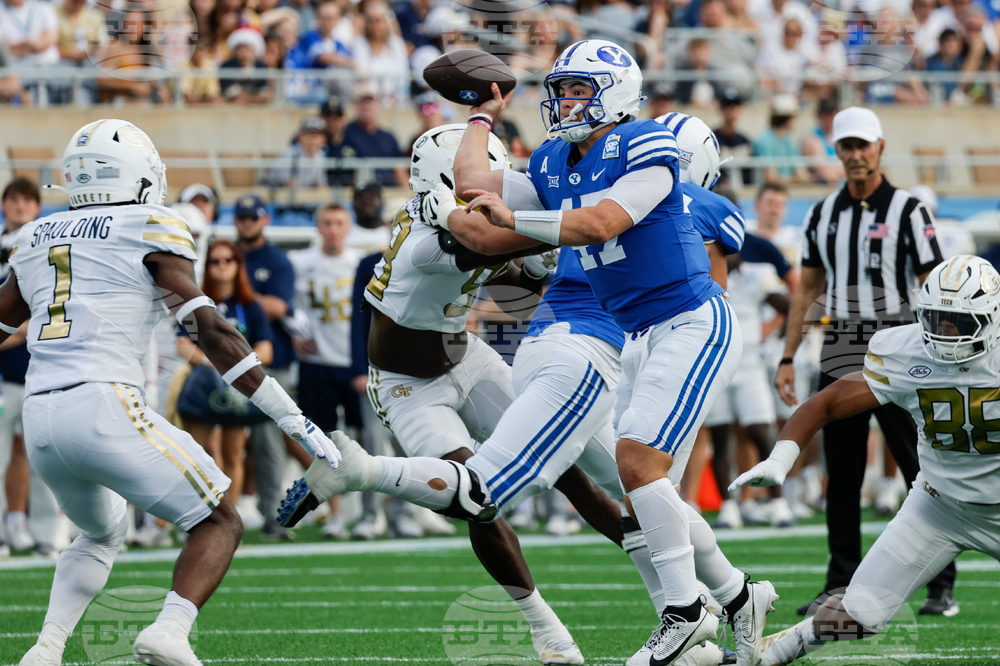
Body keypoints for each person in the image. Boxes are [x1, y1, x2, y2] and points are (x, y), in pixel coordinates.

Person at [454, 40, 778, 666]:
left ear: (617, 93)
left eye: (580, 89)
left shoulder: (647, 145)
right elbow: (473, 182)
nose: (565, 101)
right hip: (637, 337)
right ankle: (739, 599)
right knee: (651, 489)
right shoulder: (553, 160)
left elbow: (601, 224)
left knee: (637, 464)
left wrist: (517, 222)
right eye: (562, 89)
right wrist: (481, 114)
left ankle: (683, 612)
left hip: (690, 322)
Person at [11, 119, 338, 666]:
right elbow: (208, 327)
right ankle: (170, 629)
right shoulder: (148, 224)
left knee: (99, 533)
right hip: (102, 405)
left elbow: (4, 319)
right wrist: (291, 416)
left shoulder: (36, 234)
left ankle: (46, 649)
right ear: (135, 176)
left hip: (41, 415)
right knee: (220, 519)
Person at [281, 124, 588, 665]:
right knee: (478, 500)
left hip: (465, 355)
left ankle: (670, 594)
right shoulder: (432, 239)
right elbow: (483, 242)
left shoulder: (456, 221)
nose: (493, 191)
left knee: (569, 465)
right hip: (408, 387)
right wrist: (567, 228)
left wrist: (538, 266)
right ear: (448, 183)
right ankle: (549, 632)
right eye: (479, 181)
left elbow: (516, 297)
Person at [736, 254, 1000, 666]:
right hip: (937, 506)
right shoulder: (906, 349)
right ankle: (765, 653)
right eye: (935, 319)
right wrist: (781, 457)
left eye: (960, 323)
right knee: (861, 611)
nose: (945, 333)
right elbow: (827, 403)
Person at [774, 106, 957, 618]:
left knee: (920, 467)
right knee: (844, 473)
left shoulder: (909, 210)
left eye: (863, 146)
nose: (855, 155)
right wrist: (789, 354)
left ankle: (941, 584)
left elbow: (936, 284)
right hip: (841, 344)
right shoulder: (821, 214)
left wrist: (939, 352)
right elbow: (808, 287)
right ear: (836, 151)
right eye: (846, 146)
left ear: (879, 147)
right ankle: (840, 582)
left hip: (900, 343)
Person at [285, 204, 367, 539]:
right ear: (318, 227)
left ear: (347, 228)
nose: (333, 229)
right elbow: (286, 306)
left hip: (353, 364)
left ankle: (367, 513)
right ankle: (335, 514)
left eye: (339, 223)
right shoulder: (300, 263)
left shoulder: (359, 263)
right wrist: (293, 334)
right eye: (327, 223)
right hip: (316, 365)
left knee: (363, 439)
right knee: (322, 441)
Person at [177, 240, 274, 504]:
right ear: (207, 266)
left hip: (236, 389)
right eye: (215, 261)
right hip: (203, 385)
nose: (222, 266)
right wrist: (211, 363)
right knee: (195, 455)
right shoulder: (197, 301)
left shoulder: (250, 305)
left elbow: (266, 350)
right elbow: (183, 344)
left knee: (233, 454)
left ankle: (231, 518)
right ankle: (194, 518)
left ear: (238, 265)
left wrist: (238, 364)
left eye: (228, 260)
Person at [233, 193, 299, 540]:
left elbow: (277, 305)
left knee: (268, 442)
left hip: (270, 360)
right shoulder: (226, 254)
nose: (246, 223)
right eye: (241, 217)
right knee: (222, 442)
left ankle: (273, 514)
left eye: (252, 217)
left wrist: (238, 295)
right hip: (226, 360)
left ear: (264, 220)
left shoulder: (276, 260)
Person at [0, 177, 60, 557]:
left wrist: (21, 331)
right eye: (14, 199)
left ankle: (45, 534)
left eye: (28, 199)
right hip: (4, 371)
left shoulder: (49, 246)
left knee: (44, 457)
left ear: (38, 207)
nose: (21, 206)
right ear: (4, 205)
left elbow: (51, 308)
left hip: (43, 368)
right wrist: (19, 331)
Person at [342, 87, 409, 188]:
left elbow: (400, 169)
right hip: (360, 191)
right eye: (363, 102)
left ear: (378, 105)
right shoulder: (346, 133)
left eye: (370, 102)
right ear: (355, 105)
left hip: (387, 190)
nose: (367, 106)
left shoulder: (388, 137)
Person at [268, 117, 330, 189]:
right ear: (300, 137)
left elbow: (321, 185)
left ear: (324, 139)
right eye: (309, 134)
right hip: (277, 195)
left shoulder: (320, 156)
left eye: (316, 135)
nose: (312, 139)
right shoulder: (289, 155)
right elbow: (287, 184)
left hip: (303, 196)